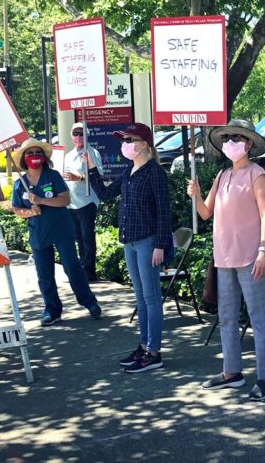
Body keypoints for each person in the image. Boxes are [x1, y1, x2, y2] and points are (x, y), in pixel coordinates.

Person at [187, 119, 265, 400]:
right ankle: (231, 372)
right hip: (224, 256)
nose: (230, 143)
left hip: (252, 256)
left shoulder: (258, 175)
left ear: (248, 144)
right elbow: (205, 213)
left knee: (258, 317)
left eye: (236, 138)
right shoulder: (222, 176)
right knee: (226, 317)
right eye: (227, 139)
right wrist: (196, 195)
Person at [83, 122, 172, 374]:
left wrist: (160, 245)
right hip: (130, 242)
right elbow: (104, 193)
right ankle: (144, 346)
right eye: (124, 140)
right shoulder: (129, 170)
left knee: (152, 297)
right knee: (141, 298)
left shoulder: (154, 172)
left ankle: (153, 352)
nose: (125, 145)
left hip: (147, 241)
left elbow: (164, 211)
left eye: (130, 139)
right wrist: (91, 168)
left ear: (144, 144)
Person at [11, 139, 101, 326]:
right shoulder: (19, 184)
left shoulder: (53, 176)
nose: (34, 156)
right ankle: (52, 310)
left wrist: (42, 201)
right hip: (39, 232)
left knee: (72, 267)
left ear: (43, 157)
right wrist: (30, 212)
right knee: (44, 274)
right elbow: (17, 209)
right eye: (30, 153)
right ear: (23, 159)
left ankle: (89, 301)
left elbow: (65, 200)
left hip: (61, 229)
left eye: (38, 153)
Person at [63, 122, 103, 283]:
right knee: (78, 236)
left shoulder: (91, 153)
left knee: (87, 236)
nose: (78, 137)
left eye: (81, 133)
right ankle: (82, 266)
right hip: (71, 202)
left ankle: (89, 270)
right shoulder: (67, 155)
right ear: (71, 136)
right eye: (76, 133)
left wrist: (78, 177)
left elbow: (98, 176)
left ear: (87, 135)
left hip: (87, 201)